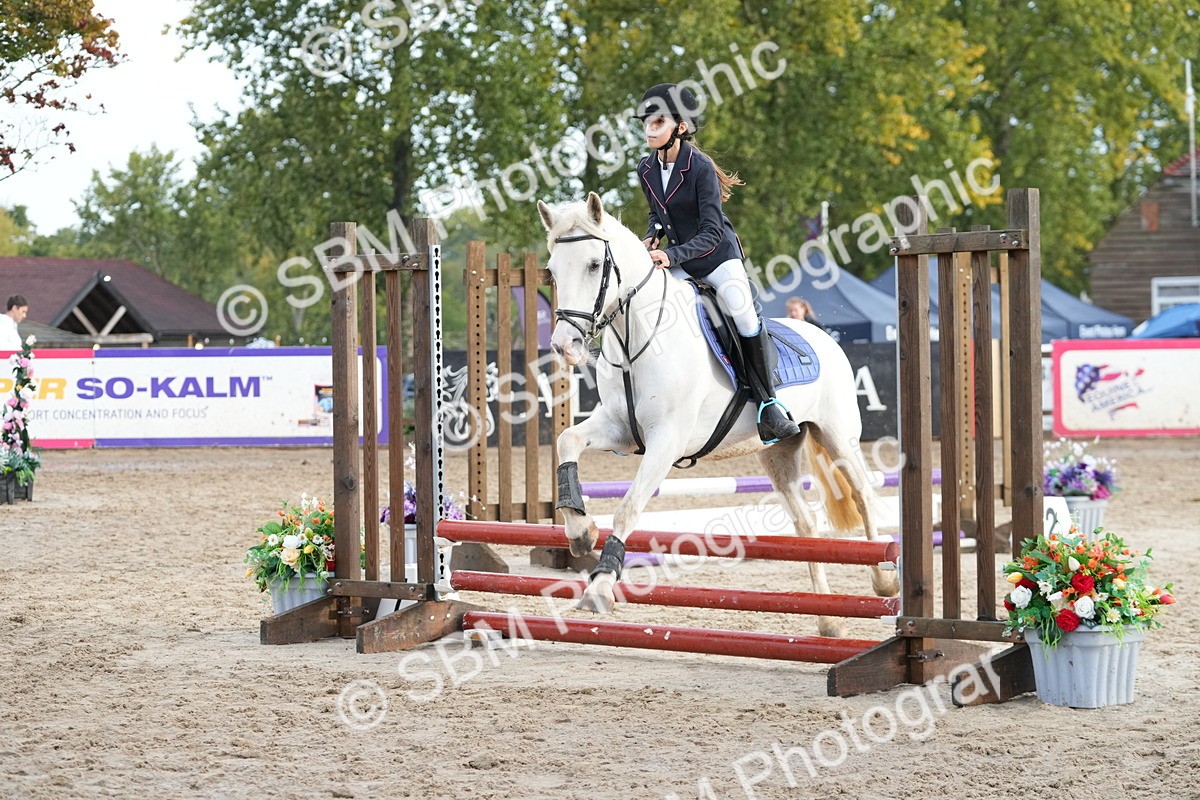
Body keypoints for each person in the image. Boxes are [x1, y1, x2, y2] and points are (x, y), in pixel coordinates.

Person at [634, 83, 799, 444]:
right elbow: (657, 213)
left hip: (716, 257)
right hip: (678, 258)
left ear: (680, 127)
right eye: (647, 122)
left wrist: (670, 255)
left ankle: (768, 404)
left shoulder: (700, 168)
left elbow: (711, 231)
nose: (650, 129)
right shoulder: (645, 168)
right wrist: (653, 235)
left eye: (658, 121)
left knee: (742, 312)